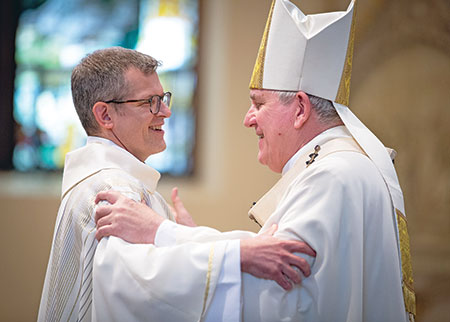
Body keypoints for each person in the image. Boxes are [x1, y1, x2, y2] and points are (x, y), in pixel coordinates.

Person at [95, 0, 417, 321]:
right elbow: (262, 257)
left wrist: (161, 234)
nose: (248, 119)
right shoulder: (340, 167)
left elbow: (274, 297)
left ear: (301, 110)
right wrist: (192, 241)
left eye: (258, 103)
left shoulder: (331, 178)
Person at [37, 46, 316, 322]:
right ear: (105, 115)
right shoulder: (114, 190)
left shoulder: (110, 180)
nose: (165, 112)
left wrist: (183, 237)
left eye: (163, 98)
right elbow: (139, 290)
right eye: (150, 102)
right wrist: (238, 256)